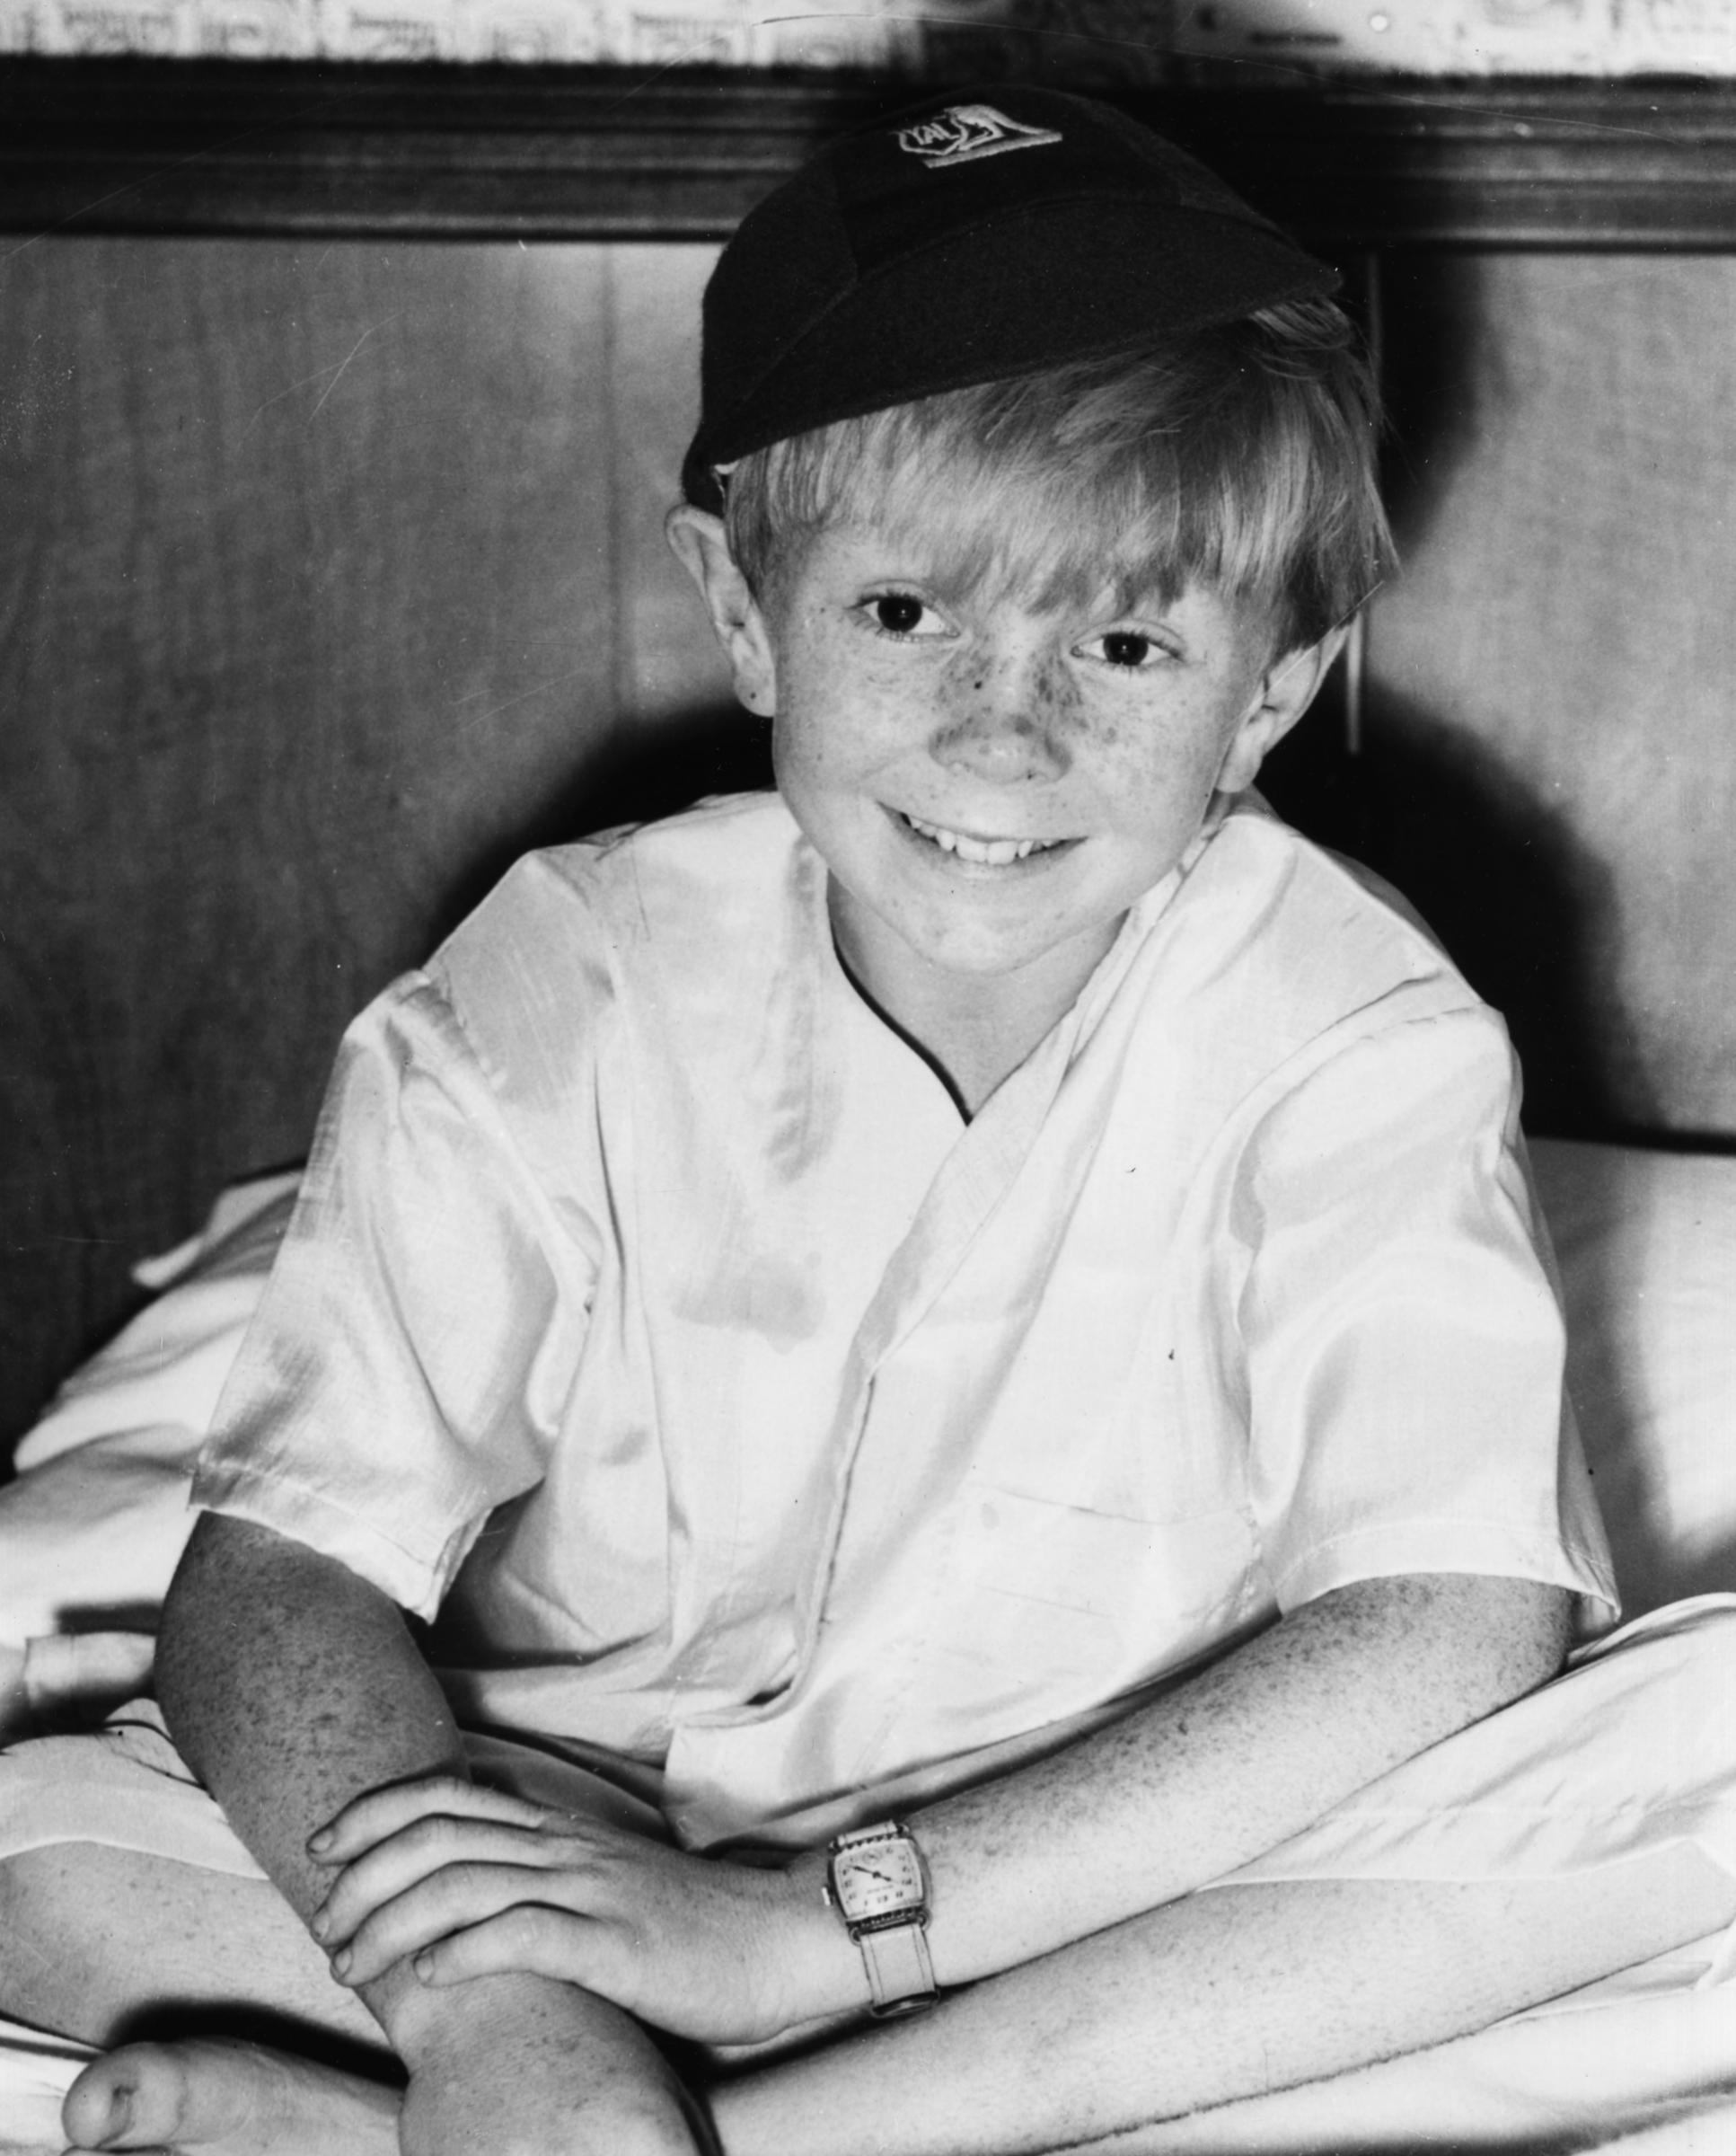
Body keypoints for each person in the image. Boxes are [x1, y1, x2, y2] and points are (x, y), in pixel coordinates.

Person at [3, 84, 1734, 2156]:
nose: (1008, 731)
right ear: (744, 613)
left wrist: (801, 1943)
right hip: (579, 1836)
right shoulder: (561, 978)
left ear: (1266, 691)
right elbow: (282, 1570)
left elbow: (1445, 1615)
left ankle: (716, 2128)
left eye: (1120, 639)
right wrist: (496, 2004)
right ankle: (606, 2101)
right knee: (46, 1842)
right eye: (905, 615)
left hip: (1105, 1869)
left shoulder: (1350, 1025)